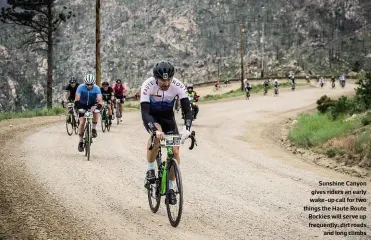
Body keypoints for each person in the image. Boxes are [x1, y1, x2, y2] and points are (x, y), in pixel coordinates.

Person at [140, 60, 193, 205]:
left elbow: (188, 111)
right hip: (153, 117)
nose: (166, 83)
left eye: (168, 79)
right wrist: (153, 130)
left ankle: (170, 188)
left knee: (175, 152)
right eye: (162, 80)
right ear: (156, 78)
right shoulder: (148, 85)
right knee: (156, 136)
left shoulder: (178, 85)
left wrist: (187, 129)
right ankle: (150, 168)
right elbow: (144, 113)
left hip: (168, 119)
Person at [74, 74, 103, 152]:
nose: (89, 86)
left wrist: (99, 107)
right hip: (82, 105)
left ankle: (93, 129)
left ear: (93, 83)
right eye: (87, 84)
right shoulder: (80, 87)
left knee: (96, 112)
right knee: (82, 122)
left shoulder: (97, 88)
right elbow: (76, 100)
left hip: (92, 104)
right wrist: (78, 107)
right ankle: (80, 141)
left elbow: (100, 101)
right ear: (85, 83)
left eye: (91, 84)